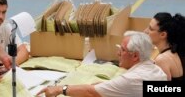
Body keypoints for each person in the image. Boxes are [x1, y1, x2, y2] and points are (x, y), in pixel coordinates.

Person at [37, 31, 167, 97]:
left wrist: (60, 89)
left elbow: (91, 93)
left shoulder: (133, 79)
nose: (118, 53)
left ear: (135, 56)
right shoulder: (156, 71)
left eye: (122, 49)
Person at [144, 12, 185, 80]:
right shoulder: (176, 48)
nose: (145, 31)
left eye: (151, 29)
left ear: (163, 35)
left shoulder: (162, 60)